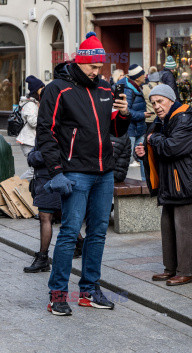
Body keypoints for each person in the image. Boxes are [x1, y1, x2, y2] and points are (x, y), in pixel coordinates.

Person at [36, 32, 131, 316]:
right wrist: (56, 171)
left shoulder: (104, 89)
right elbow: (45, 132)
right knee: (68, 234)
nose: (97, 71)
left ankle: (88, 291)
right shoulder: (58, 88)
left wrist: (124, 114)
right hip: (75, 172)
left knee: (98, 233)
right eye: (92, 66)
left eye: (100, 66)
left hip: (104, 172)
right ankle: (58, 294)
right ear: (79, 62)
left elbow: (115, 131)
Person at [135, 84, 192, 286]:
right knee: (168, 227)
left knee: (184, 229)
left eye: (160, 101)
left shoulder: (185, 119)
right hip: (169, 182)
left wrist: (153, 138)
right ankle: (171, 269)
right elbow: (152, 145)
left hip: (184, 182)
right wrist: (140, 152)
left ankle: (187, 271)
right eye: (153, 102)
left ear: (171, 100)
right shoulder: (162, 121)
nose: (156, 106)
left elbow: (172, 147)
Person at [23, 145, 84, 273]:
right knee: (61, 213)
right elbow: (34, 155)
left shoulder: (55, 131)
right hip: (46, 180)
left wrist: (36, 156)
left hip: (52, 179)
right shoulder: (45, 131)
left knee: (45, 216)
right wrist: (34, 155)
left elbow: (45, 155)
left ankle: (42, 258)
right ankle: (80, 244)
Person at [118, 64, 148, 172]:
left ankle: (146, 185)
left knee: (143, 157)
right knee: (128, 159)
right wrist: (143, 115)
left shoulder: (136, 87)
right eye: (142, 74)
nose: (145, 75)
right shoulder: (129, 90)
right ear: (137, 77)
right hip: (131, 130)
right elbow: (126, 110)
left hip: (138, 128)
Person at [17, 75, 45, 180]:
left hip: (32, 140)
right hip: (28, 141)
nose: (43, 89)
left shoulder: (36, 103)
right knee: (34, 169)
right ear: (36, 90)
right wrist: (45, 118)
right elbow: (33, 122)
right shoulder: (30, 105)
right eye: (41, 88)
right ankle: (17, 185)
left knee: (36, 169)